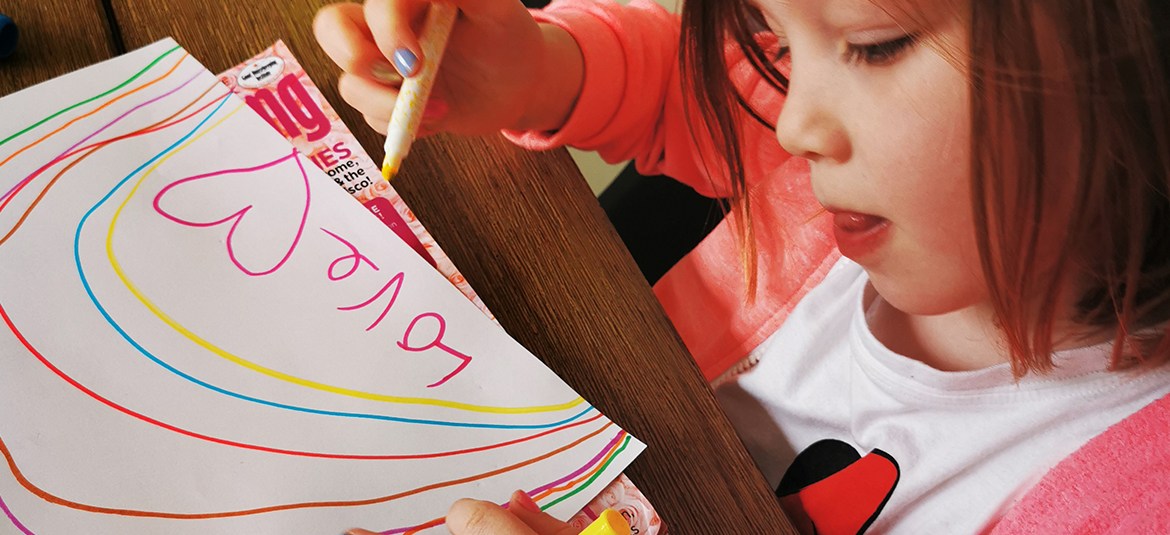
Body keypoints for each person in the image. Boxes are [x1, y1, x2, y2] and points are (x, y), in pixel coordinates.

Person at [314, 0, 1170, 532]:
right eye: (778, 35)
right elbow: (676, 78)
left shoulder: (1130, 494)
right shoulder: (832, 168)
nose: (795, 122)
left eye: (874, 45)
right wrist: (535, 70)